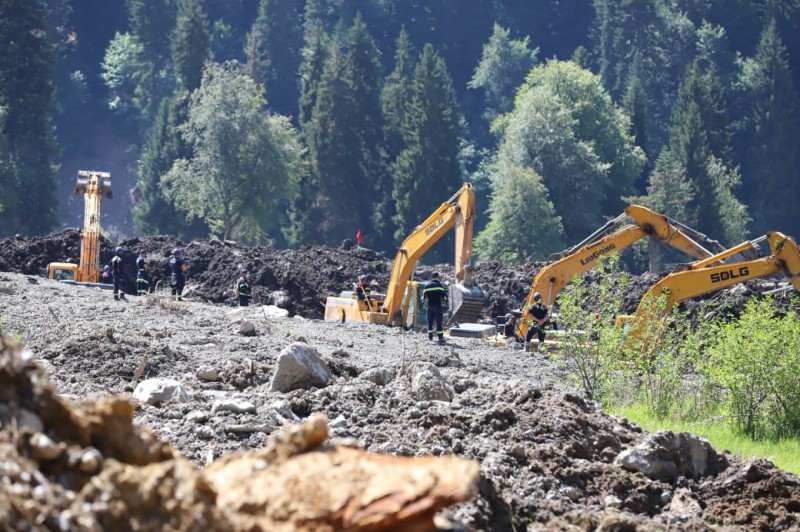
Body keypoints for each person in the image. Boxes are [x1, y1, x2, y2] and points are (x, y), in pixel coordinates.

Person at [422, 271, 448, 343]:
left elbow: (423, 297)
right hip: (437, 306)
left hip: (430, 306)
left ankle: (430, 337)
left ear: (431, 276)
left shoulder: (427, 285)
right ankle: (440, 338)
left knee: (430, 322)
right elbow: (445, 297)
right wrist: (445, 300)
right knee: (438, 321)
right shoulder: (439, 285)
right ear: (438, 276)